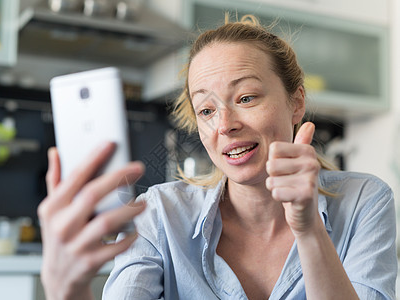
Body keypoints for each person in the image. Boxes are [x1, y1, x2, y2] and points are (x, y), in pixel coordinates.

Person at [38, 15, 397, 300]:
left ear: (296, 103)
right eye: (206, 110)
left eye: (246, 98)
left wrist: (310, 232)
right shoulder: (160, 215)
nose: (224, 126)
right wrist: (66, 292)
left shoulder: (364, 202)